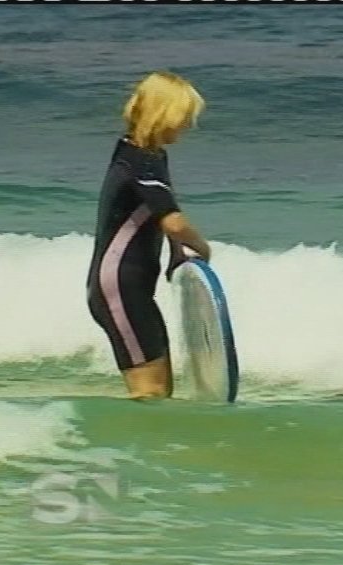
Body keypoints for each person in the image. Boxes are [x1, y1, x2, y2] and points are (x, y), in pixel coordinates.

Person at [86, 71, 213, 400]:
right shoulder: (142, 161)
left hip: (130, 287)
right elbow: (173, 222)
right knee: (149, 391)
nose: (187, 125)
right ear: (165, 114)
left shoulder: (140, 154)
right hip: (121, 289)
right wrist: (202, 247)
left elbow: (156, 210)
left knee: (160, 390)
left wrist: (176, 253)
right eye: (184, 116)